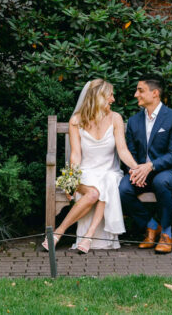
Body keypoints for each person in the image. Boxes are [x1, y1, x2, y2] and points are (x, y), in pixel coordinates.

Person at [43, 79, 138, 253]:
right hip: (85, 173)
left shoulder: (115, 118)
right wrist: (70, 181)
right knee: (95, 191)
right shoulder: (76, 121)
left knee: (108, 181)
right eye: (110, 95)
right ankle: (60, 232)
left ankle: (86, 235)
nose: (113, 99)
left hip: (109, 171)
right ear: (98, 96)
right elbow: (76, 155)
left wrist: (137, 169)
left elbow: (123, 151)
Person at [119, 77, 172, 254]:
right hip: (141, 171)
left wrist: (149, 167)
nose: (136, 94)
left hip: (168, 172)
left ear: (155, 93)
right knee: (123, 188)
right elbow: (130, 152)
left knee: (160, 182)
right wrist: (134, 171)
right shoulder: (134, 121)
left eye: (140, 90)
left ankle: (166, 233)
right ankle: (150, 226)